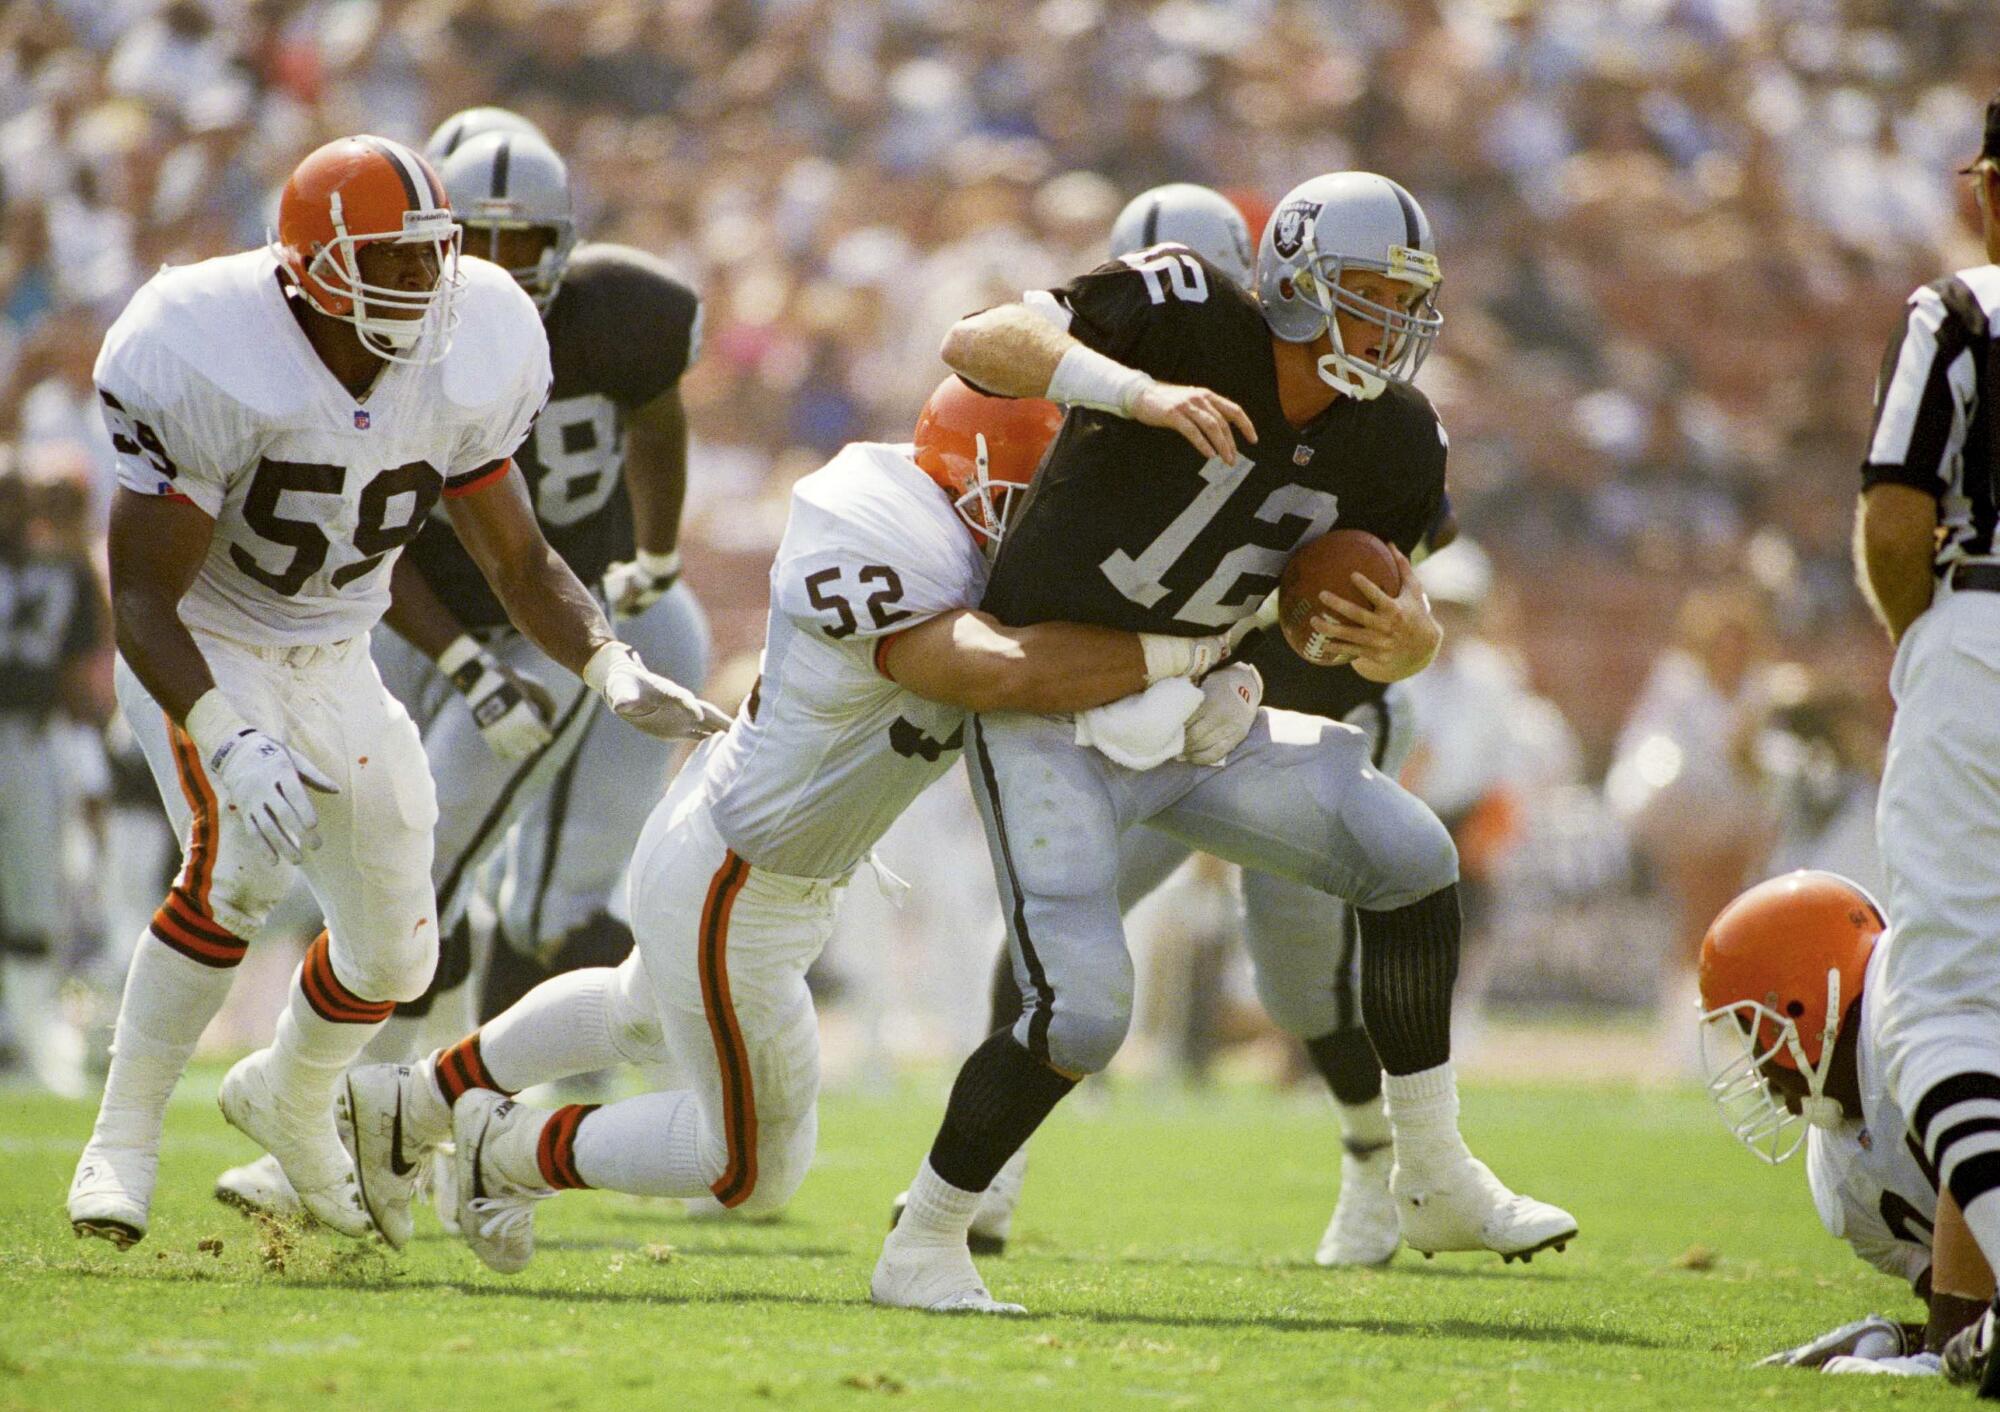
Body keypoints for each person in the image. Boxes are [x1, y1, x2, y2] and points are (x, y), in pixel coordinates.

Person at [343, 377, 1257, 1268]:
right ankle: (507, 1156)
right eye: (1029, 495)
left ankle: (415, 1103)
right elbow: (998, 672)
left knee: (636, 1013)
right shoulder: (883, 529)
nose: (1044, 518)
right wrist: (1186, 651)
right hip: (743, 872)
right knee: (746, 1170)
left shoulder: (948, 521)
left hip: (741, 846)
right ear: (969, 475)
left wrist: (1224, 675)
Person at [872, 170, 1576, 1314]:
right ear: (1293, 281)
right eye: (1363, 295)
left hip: (1199, 715)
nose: (1387, 328)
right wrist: (1134, 393)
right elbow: (976, 339)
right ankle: (933, 1232)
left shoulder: (1393, 439)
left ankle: (1431, 1172)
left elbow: (1366, 613)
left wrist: (1407, 642)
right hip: (1046, 703)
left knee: (1410, 856)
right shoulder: (1189, 310)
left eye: (1404, 302)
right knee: (1086, 1009)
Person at [66, 133, 722, 1250]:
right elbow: (139, 597)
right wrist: (224, 733)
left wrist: (610, 664)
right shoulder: (204, 344)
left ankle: (287, 1091)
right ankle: (121, 1141)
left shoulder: (475, 342)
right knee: (239, 867)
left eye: (434, 255)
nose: (425, 283)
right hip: (207, 633)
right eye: (393, 259)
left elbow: (521, 560)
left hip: (336, 649)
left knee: (396, 953)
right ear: (312, 267)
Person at [937, 181, 1449, 1267]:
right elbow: (996, 352)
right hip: (1148, 715)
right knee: (1056, 938)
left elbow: (1387, 580)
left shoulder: (1370, 427)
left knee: (1298, 974)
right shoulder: (1136, 356)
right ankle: (981, 1182)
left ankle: (1376, 1159)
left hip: (1295, 710)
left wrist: (1409, 639)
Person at [1853, 91, 2000, 1398]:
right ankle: (1965, 1317)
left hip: (1990, 631)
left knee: (1945, 1003)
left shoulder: (1967, 306)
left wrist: (1930, 646)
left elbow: (1898, 521)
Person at [1698, 871, 1981, 1378]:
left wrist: (1939, 1358)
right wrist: (1908, 1339)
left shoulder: (1916, 1004)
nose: (1758, 1072)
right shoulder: (1842, 1176)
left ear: (1799, 1003)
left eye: (1752, 1035)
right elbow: (1976, 1315)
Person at [0, 455, 105, 1095]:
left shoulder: (65, 570)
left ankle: (32, 1035)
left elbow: (77, 669)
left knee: (36, 892)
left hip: (33, 738)